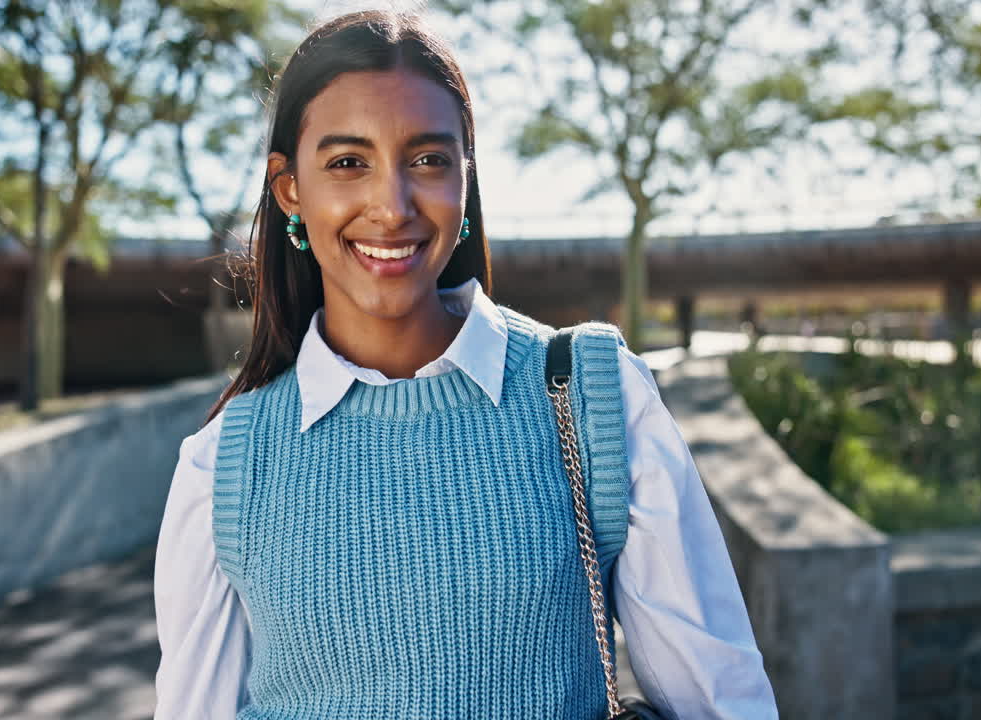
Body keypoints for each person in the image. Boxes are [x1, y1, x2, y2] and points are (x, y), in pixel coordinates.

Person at [153, 10, 777, 720]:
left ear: (465, 177)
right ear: (290, 187)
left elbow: (721, 702)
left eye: (427, 160)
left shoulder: (593, 398)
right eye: (348, 163)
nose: (392, 207)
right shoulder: (224, 464)